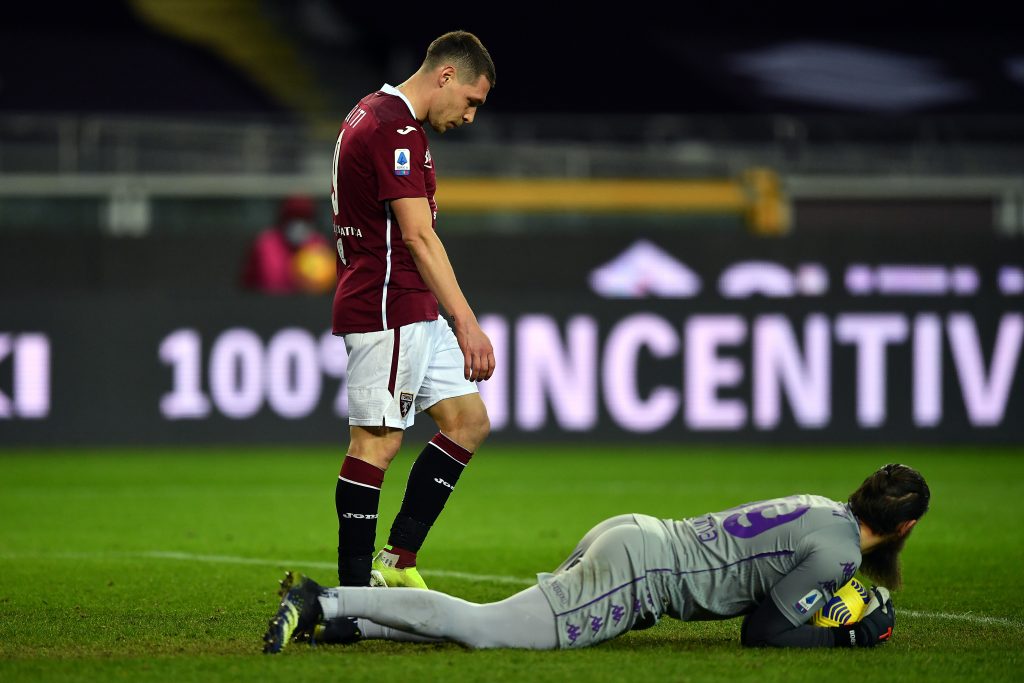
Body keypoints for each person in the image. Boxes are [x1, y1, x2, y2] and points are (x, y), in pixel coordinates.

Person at [263, 463, 929, 653]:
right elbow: (764, 632)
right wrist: (848, 636)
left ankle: (348, 624)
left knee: (497, 619)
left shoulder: (821, 507)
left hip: (637, 534)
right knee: (486, 627)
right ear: (907, 526)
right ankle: (325, 597)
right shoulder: (840, 552)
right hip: (639, 574)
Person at [320, 31, 496, 642]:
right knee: (375, 445)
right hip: (388, 308)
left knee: (467, 422)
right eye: (471, 100)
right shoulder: (394, 129)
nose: (470, 116)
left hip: (415, 307)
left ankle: (395, 564)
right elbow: (418, 237)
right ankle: (346, 603)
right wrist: (469, 324)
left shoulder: (374, 113)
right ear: (445, 75)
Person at [241, 195, 334, 294]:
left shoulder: (320, 245)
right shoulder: (265, 244)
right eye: (293, 218)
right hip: (269, 304)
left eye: (305, 219)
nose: (299, 225)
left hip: (307, 306)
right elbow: (247, 285)